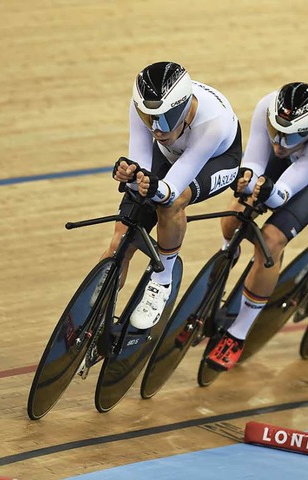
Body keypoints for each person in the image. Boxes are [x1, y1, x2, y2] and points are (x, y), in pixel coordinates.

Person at [205, 81, 308, 370]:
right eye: (276, 132)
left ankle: (238, 334)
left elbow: (284, 192)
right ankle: (228, 254)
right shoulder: (267, 107)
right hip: (296, 156)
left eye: (289, 136)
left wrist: (265, 191)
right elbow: (255, 161)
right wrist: (248, 180)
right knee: (236, 212)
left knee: (271, 241)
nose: (279, 143)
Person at [105, 61, 242, 330]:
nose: (156, 130)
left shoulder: (213, 123)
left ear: (183, 109)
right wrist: (131, 175)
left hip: (214, 160)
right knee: (120, 242)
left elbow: (171, 190)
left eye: (165, 120)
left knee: (171, 205)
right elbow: (141, 166)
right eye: (149, 120)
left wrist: (153, 187)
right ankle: (94, 311)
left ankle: (162, 280)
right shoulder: (143, 107)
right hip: (171, 156)